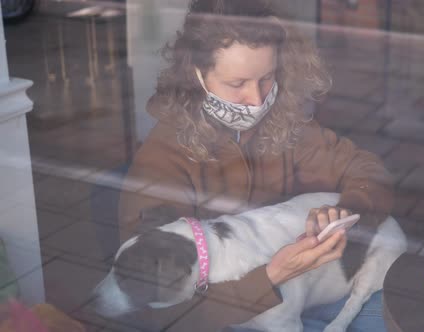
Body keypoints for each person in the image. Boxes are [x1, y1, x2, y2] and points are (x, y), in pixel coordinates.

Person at [118, 0, 395, 330]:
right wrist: (272, 275)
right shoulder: (163, 160)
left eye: (267, 78)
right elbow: (164, 311)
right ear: (196, 77)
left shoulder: (283, 123)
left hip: (310, 290)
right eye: (237, 84)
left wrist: (347, 209)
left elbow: (368, 170)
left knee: (389, 315)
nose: (257, 98)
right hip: (233, 317)